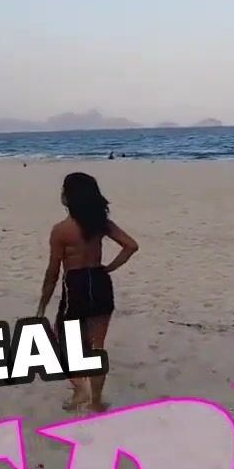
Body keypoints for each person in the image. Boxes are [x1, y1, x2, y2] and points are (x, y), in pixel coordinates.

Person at [38, 171, 138, 412]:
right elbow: (131, 246)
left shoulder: (61, 230)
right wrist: (109, 268)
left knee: (64, 343)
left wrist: (42, 305)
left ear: (67, 197)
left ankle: (80, 389)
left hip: (76, 284)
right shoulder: (100, 224)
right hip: (100, 281)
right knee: (96, 347)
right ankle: (96, 401)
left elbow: (53, 272)